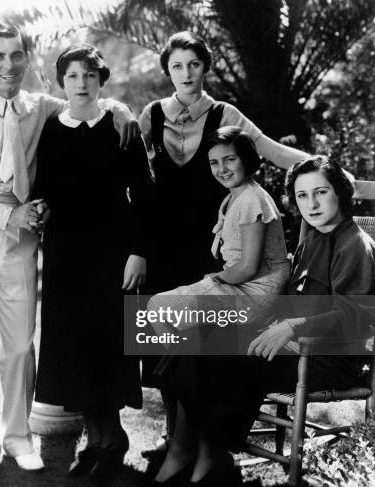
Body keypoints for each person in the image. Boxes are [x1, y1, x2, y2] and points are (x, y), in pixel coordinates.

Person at [0, 22, 140, 477]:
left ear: (27, 59)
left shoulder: (42, 108)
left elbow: (89, 100)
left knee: (18, 343)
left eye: (16, 55)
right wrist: (4, 214)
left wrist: (121, 107)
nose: (8, 64)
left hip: (23, 232)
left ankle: (17, 435)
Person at [137, 30, 309, 461]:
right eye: (176, 65)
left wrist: (323, 171)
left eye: (193, 63)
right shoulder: (151, 115)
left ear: (205, 67)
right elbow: (131, 176)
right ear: (167, 71)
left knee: (206, 342)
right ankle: (172, 437)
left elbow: (268, 150)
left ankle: (203, 442)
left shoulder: (223, 112)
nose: (186, 73)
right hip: (162, 244)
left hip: (216, 245)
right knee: (167, 339)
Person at [152, 155, 375, 486]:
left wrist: (292, 327)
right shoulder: (312, 238)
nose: (311, 204)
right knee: (194, 339)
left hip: (327, 356)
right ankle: (188, 451)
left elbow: (354, 315)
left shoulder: (355, 245)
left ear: (340, 192)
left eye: (321, 192)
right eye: (302, 195)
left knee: (221, 359)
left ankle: (208, 456)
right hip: (288, 344)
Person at [32, 44, 153, 478]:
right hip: (66, 254)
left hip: (112, 252)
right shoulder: (51, 128)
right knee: (74, 345)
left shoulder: (120, 127)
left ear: (102, 82)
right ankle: (98, 437)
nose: (81, 84)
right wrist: (39, 209)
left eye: (89, 76)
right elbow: (43, 187)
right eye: (72, 77)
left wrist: (138, 250)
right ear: (61, 83)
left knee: (107, 343)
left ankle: (112, 438)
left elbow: (143, 193)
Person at [149, 126, 290, 324]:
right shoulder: (234, 196)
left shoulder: (252, 199)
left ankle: (185, 354)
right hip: (241, 284)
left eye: (230, 160)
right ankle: (185, 354)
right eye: (214, 163)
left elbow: (249, 267)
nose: (222, 169)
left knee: (158, 307)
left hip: (257, 292)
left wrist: (215, 278)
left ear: (247, 158)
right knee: (163, 309)